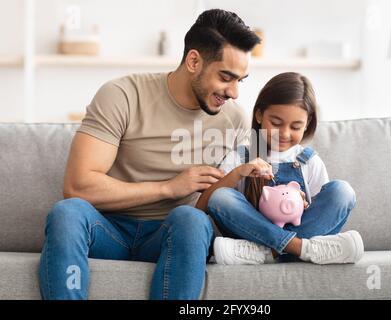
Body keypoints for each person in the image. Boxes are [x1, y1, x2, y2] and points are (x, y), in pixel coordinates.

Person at [38, 9, 261, 300]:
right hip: (108, 229)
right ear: (193, 61)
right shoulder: (123, 95)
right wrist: (168, 188)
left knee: (192, 220)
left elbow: (245, 194)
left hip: (173, 234)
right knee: (67, 214)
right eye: (225, 77)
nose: (233, 92)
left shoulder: (234, 120)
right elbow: (77, 186)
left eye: (240, 81)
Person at [196, 72, 364, 265]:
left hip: (266, 239)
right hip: (250, 233)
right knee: (221, 197)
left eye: (295, 127)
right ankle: (302, 249)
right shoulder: (241, 157)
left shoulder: (309, 161)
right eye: (276, 123)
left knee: (342, 192)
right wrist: (239, 172)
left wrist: (305, 203)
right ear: (259, 115)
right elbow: (203, 206)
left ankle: (267, 253)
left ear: (307, 123)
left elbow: (321, 214)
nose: (284, 133)